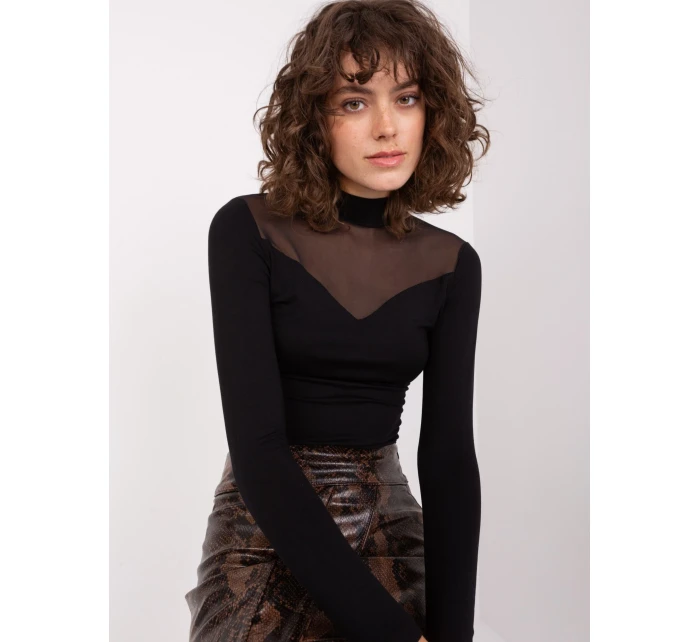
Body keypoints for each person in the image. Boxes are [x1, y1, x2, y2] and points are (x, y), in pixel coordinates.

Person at [185, 1, 491, 641]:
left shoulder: (452, 264)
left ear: (432, 111)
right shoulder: (247, 231)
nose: (387, 127)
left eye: (406, 98)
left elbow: (448, 459)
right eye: (354, 102)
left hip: (390, 540)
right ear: (313, 120)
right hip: (262, 539)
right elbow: (259, 452)